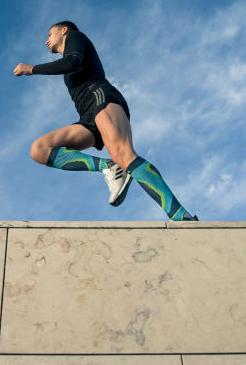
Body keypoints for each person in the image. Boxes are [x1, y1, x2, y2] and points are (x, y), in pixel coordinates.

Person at [13, 21, 197, 221]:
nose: (46, 40)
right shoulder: (66, 58)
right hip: (87, 117)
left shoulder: (75, 36)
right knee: (39, 149)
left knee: (124, 155)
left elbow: (73, 62)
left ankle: (181, 217)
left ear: (63, 30)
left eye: (50, 34)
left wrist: (32, 69)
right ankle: (108, 166)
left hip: (101, 98)